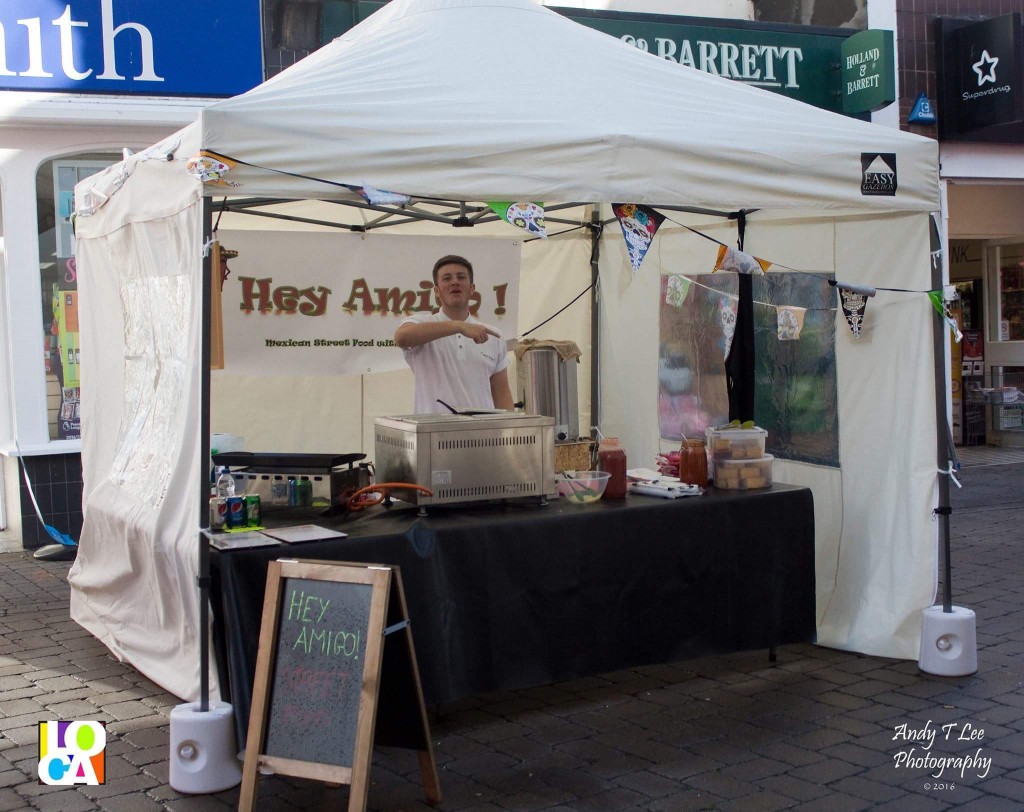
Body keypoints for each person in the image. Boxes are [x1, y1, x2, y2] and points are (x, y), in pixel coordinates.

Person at [395, 254, 514, 414]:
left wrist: (511, 427)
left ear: (472, 288)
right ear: (436, 291)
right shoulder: (422, 323)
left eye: (461, 277)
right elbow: (402, 337)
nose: (454, 282)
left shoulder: (493, 335)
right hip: (433, 429)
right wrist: (458, 326)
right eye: (447, 278)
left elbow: (502, 394)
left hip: (482, 429)